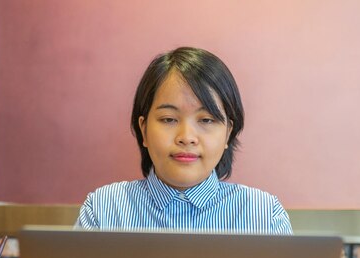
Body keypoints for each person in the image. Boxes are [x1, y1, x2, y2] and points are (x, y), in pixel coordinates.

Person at [76, 47, 292, 234]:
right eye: (169, 119)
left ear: (227, 133)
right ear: (144, 130)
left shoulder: (263, 216)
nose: (187, 137)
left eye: (206, 120)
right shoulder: (104, 210)